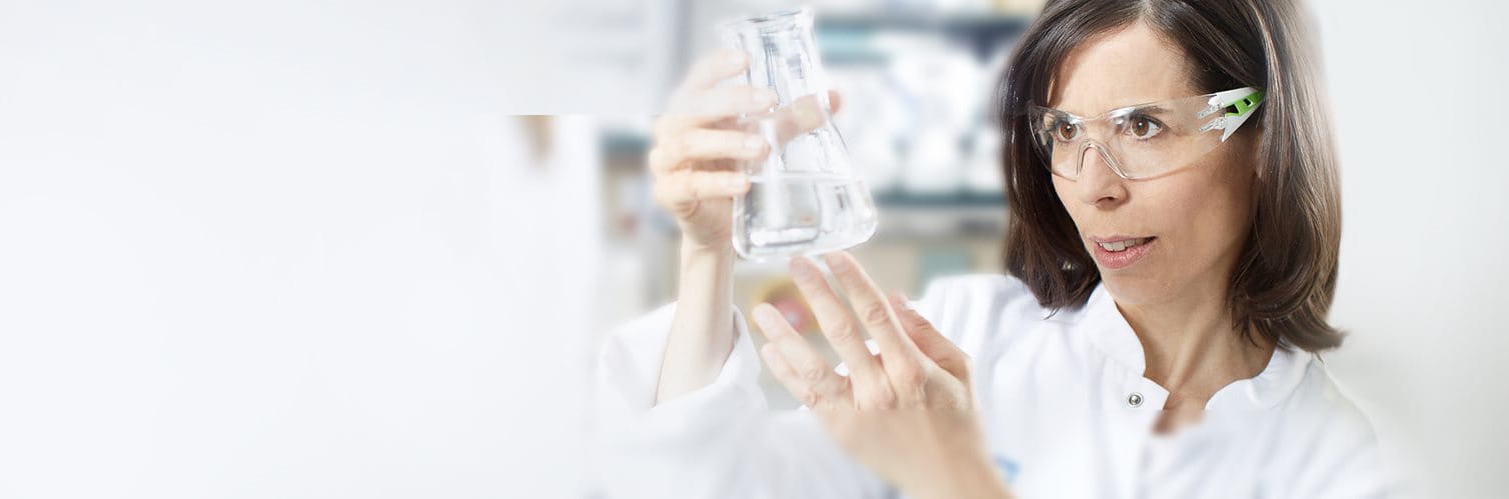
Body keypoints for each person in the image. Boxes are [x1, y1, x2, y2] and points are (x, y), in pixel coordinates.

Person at [593, 0, 1386, 497]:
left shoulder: (1331, 461)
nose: (1091, 187)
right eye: (1063, 130)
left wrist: (955, 476)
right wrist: (706, 251)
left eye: (1141, 126)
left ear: (1263, 139)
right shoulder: (969, 333)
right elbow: (710, 485)